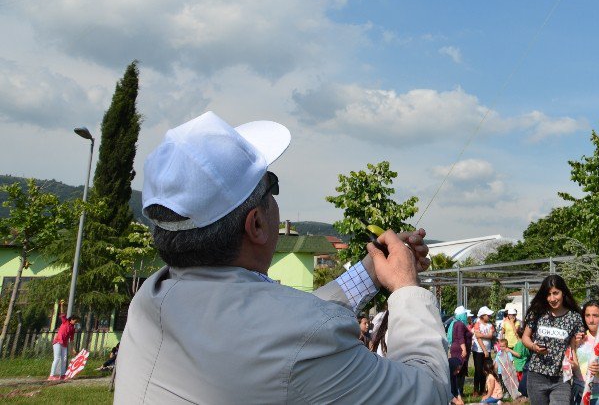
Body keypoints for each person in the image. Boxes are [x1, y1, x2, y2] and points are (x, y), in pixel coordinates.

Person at [113, 111, 449, 404]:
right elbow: (428, 390)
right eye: (270, 184)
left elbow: (282, 325)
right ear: (256, 223)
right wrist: (406, 287)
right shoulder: (297, 338)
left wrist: (372, 272)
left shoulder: (149, 300)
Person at [521, 274, 585, 405]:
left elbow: (578, 345)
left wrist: (579, 340)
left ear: (563, 293)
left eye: (556, 293)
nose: (552, 298)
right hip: (536, 375)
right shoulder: (537, 313)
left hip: (561, 377)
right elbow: (525, 337)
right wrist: (534, 347)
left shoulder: (574, 317)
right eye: (548, 294)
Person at [449, 306, 474, 405]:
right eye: (465, 314)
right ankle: (458, 393)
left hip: (458, 349)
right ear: (462, 315)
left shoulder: (457, 323)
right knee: (459, 371)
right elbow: (460, 337)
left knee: (459, 372)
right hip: (460, 350)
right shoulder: (459, 324)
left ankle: (458, 393)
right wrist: (464, 349)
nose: (466, 316)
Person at [48, 301, 78, 381]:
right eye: (75, 321)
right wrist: (61, 305)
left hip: (64, 344)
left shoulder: (73, 328)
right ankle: (51, 375)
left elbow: (71, 340)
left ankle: (62, 375)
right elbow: (62, 313)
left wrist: (73, 349)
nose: (76, 322)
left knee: (64, 359)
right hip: (58, 342)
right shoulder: (65, 322)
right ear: (71, 319)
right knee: (57, 358)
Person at [472, 306, 497, 397]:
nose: (489, 316)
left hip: (488, 350)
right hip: (478, 350)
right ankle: (475, 389)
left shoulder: (490, 325)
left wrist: (482, 335)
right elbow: (477, 337)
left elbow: (491, 336)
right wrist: (484, 350)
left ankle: (483, 389)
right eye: (488, 315)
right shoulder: (477, 324)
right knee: (478, 370)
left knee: (485, 370)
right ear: (482, 315)